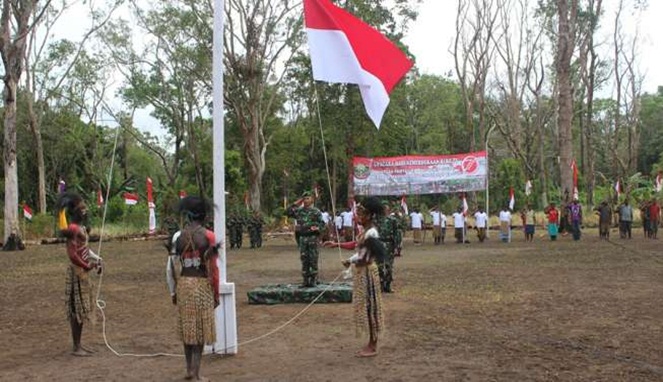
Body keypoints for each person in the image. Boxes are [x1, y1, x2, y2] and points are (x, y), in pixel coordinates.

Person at [324, 197, 385, 357]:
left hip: (367, 273)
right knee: (366, 308)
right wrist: (337, 245)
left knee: (370, 308)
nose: (357, 216)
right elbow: (357, 246)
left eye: (360, 213)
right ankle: (371, 343)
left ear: (369, 215)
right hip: (362, 272)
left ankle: (372, 346)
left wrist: (351, 262)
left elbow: (364, 257)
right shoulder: (365, 231)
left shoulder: (371, 232)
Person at [167, 196, 219, 381]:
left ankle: (189, 370)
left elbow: (171, 268)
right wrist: (216, 292)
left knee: (188, 329)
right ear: (204, 216)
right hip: (201, 285)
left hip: (183, 285)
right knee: (200, 331)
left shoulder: (177, 236)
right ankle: (196, 374)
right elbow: (213, 268)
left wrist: (173, 291)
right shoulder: (208, 236)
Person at [59, 193, 103, 357]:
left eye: (85, 208)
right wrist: (87, 266)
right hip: (77, 272)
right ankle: (76, 346)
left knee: (82, 309)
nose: (85, 211)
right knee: (77, 309)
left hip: (83, 271)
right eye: (82, 208)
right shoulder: (72, 229)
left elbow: (84, 249)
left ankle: (79, 345)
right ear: (75, 211)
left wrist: (97, 260)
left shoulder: (82, 229)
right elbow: (72, 255)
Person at [287, 191, 326, 287]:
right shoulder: (299, 211)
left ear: (312, 200)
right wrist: (297, 202)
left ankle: (313, 279)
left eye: (308, 198)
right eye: (304, 199)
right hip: (302, 237)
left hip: (312, 237)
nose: (306, 200)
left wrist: (318, 228)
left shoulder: (315, 211)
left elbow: (322, 224)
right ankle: (305, 280)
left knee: (313, 258)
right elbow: (287, 212)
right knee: (304, 259)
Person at [377, 201, 399, 293]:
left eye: (386, 208)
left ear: (388, 210)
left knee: (389, 266)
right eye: (383, 209)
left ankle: (388, 285)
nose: (385, 210)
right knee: (380, 266)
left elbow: (396, 233)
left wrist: (397, 245)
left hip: (389, 245)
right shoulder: (377, 220)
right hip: (380, 243)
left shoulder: (392, 220)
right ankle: (380, 285)